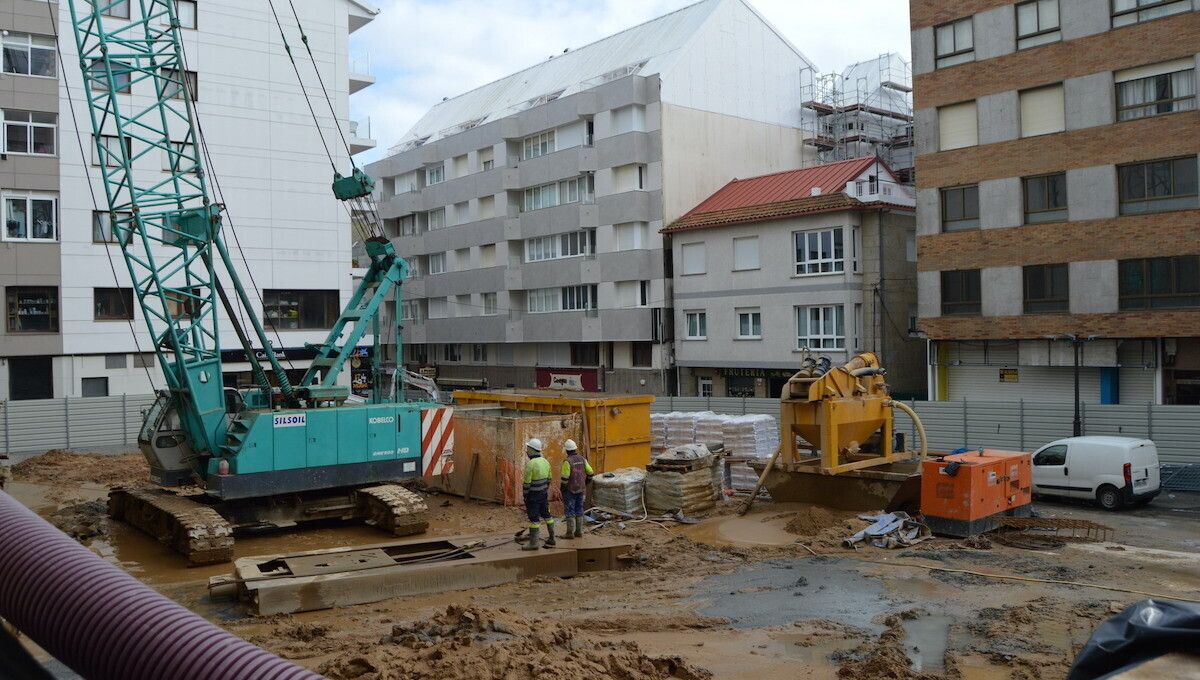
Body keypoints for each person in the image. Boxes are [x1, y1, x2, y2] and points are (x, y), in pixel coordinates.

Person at [521, 438, 555, 550]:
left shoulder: (530, 464)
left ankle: (534, 544)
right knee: (547, 516)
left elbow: (527, 483)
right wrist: (544, 489)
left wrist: (525, 496)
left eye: (527, 449)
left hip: (533, 496)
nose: (526, 451)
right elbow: (549, 478)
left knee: (534, 519)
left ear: (532, 450)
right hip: (543, 494)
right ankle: (552, 538)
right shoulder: (546, 462)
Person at [558, 439, 593, 539]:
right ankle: (579, 532)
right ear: (575, 449)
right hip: (581, 489)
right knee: (579, 509)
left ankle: (570, 533)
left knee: (570, 511)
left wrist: (562, 490)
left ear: (567, 450)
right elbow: (590, 473)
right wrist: (585, 483)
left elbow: (565, 479)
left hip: (570, 490)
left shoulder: (567, 461)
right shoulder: (582, 459)